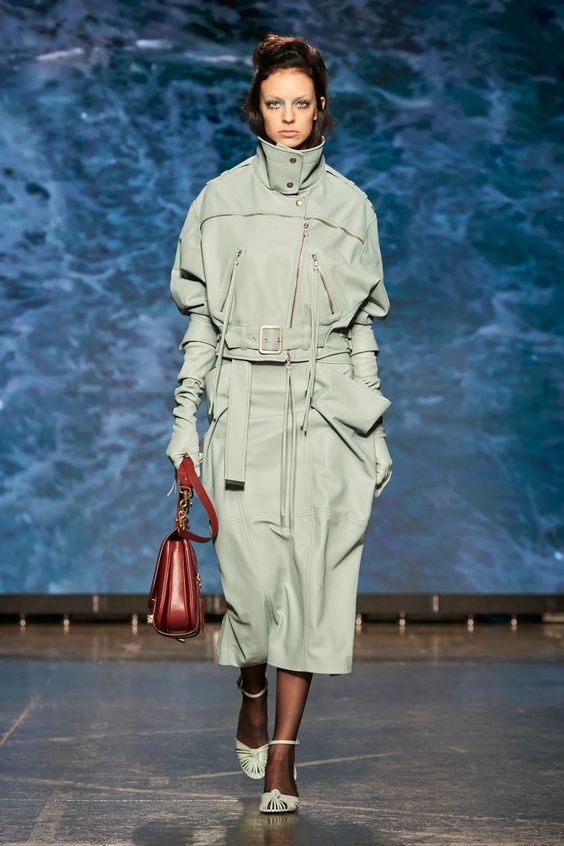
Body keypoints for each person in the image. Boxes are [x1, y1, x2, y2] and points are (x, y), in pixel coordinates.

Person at [165, 33, 393, 814]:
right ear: (255, 111)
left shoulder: (351, 207)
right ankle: (251, 687)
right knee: (256, 597)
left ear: (320, 108)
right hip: (243, 403)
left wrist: (376, 428)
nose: (289, 116)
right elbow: (199, 320)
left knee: (314, 585)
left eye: (301, 103)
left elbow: (362, 327)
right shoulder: (219, 200)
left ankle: (283, 760)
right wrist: (183, 419)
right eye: (275, 103)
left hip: (325, 405)